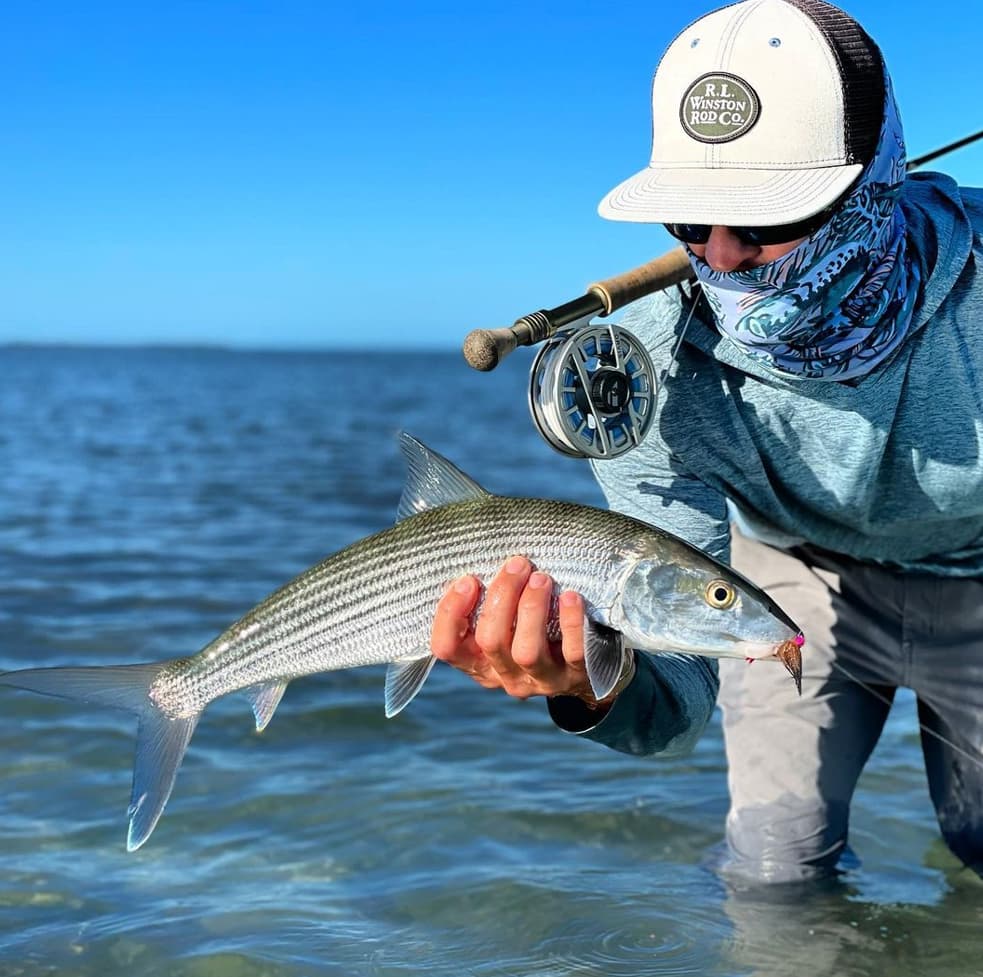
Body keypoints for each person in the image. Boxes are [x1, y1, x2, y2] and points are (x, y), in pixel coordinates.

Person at [431, 0, 983, 882]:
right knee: (771, 873)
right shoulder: (637, 367)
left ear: (871, 183)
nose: (719, 257)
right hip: (786, 574)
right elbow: (674, 701)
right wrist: (588, 687)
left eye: (762, 221)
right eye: (689, 221)